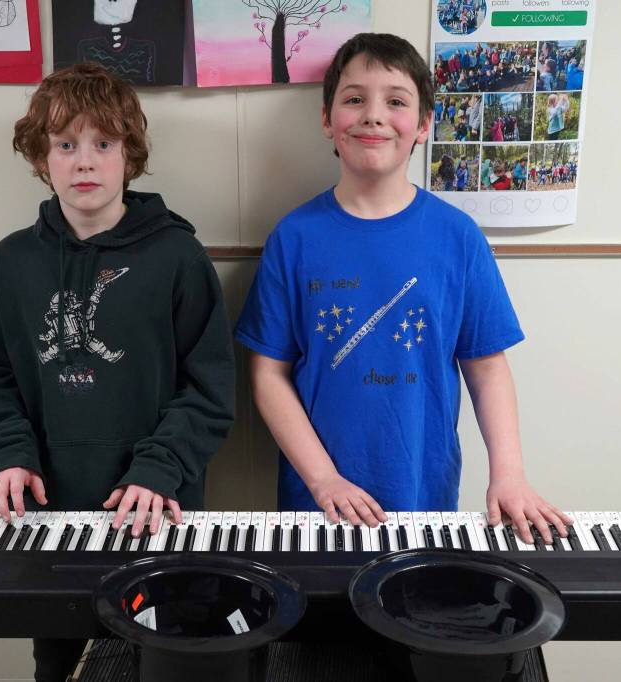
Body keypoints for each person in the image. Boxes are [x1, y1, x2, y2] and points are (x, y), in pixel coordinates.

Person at [0, 63, 236, 682]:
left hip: (156, 510)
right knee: (58, 663)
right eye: (66, 145)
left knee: (161, 663)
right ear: (42, 158)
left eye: (103, 144)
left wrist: (159, 468)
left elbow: (210, 390)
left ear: (129, 156)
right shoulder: (10, 264)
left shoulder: (178, 257)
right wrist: (7, 456)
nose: (85, 162)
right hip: (48, 513)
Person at [234, 33, 570, 548]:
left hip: (423, 498)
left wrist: (509, 475)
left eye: (395, 101)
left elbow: (487, 366)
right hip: (316, 506)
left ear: (424, 124)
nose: (373, 116)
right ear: (327, 119)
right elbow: (268, 375)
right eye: (354, 99)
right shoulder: (294, 237)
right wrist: (323, 478)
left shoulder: (458, 237)